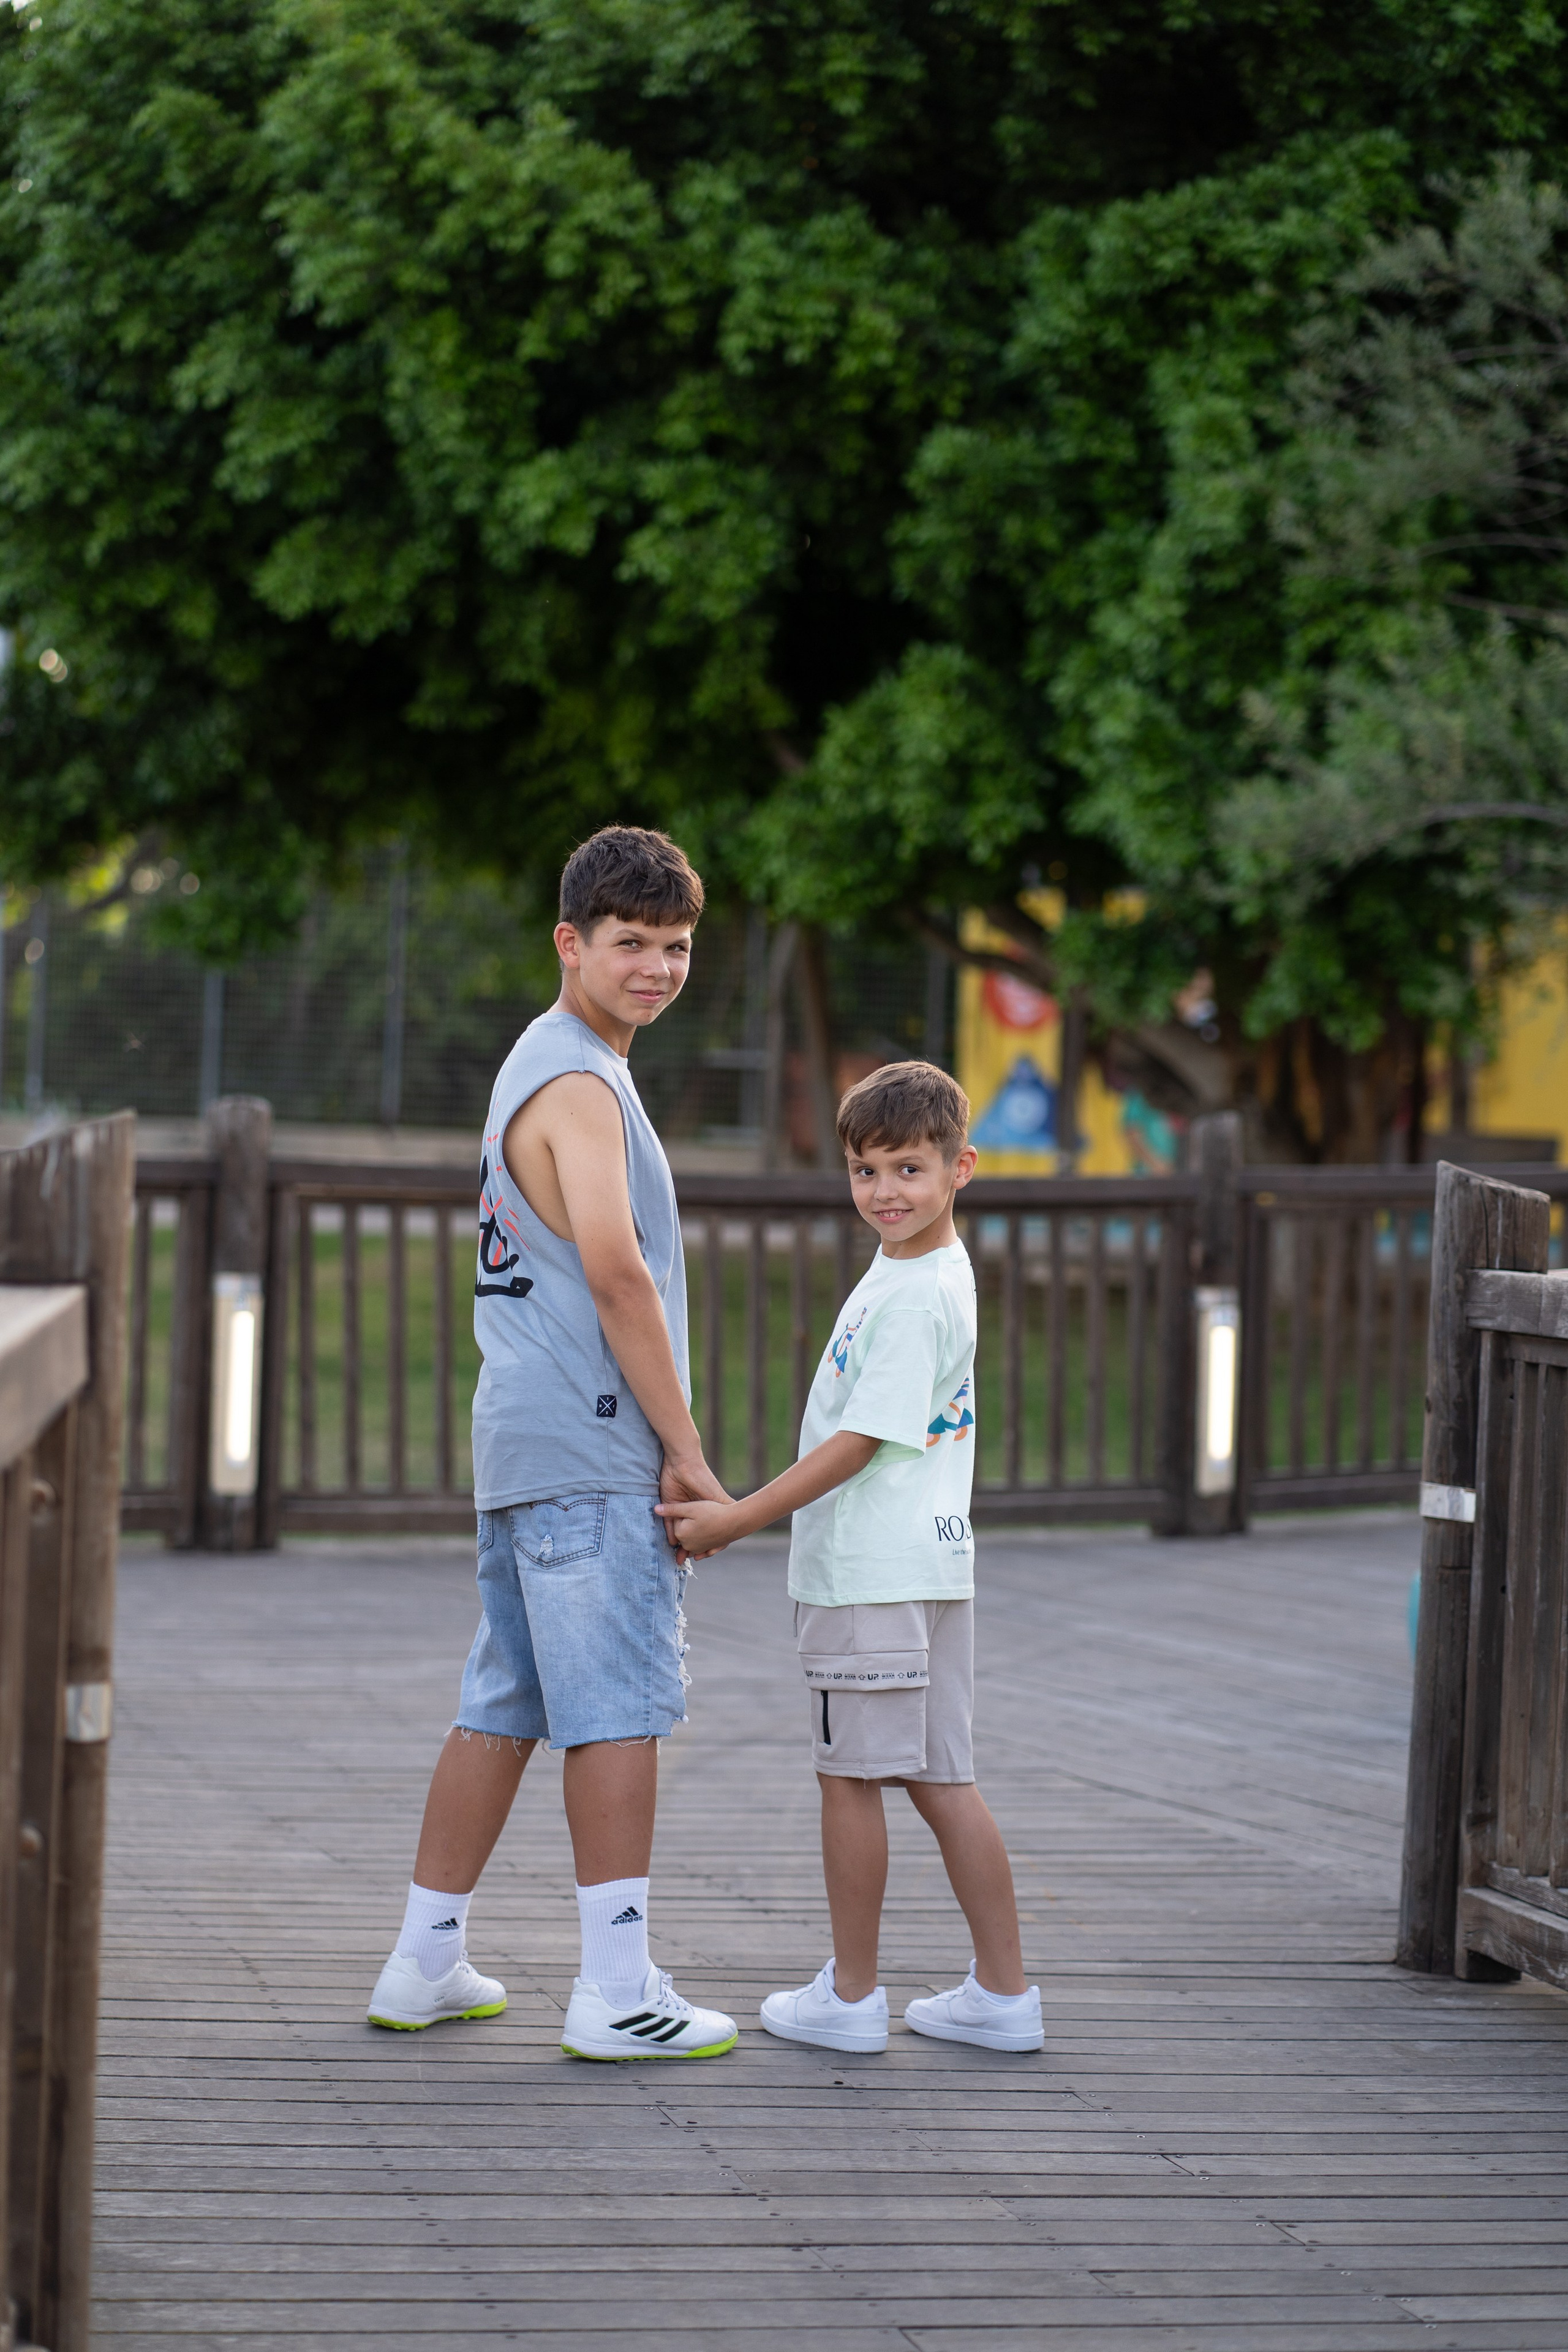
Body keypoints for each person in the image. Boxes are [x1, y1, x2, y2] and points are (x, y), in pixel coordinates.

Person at [367, 826, 738, 2061]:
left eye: (674, 946)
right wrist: (683, 1451)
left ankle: (424, 1961)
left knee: (506, 1702)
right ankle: (617, 1990)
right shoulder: (579, 1079)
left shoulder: (548, 1063)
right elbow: (618, 1274)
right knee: (618, 1707)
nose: (654, 967)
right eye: (629, 943)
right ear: (570, 941)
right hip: (587, 1439)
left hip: (523, 1434)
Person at [658, 1060, 1042, 2056]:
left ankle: (853, 1997)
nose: (885, 1192)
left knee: (851, 1780)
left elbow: (858, 1442)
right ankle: (1002, 1995)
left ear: (962, 1167)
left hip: (872, 1573)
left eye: (909, 1169)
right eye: (865, 1170)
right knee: (940, 1779)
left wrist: (739, 1518)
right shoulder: (921, 1269)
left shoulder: (914, 1297)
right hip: (931, 1565)